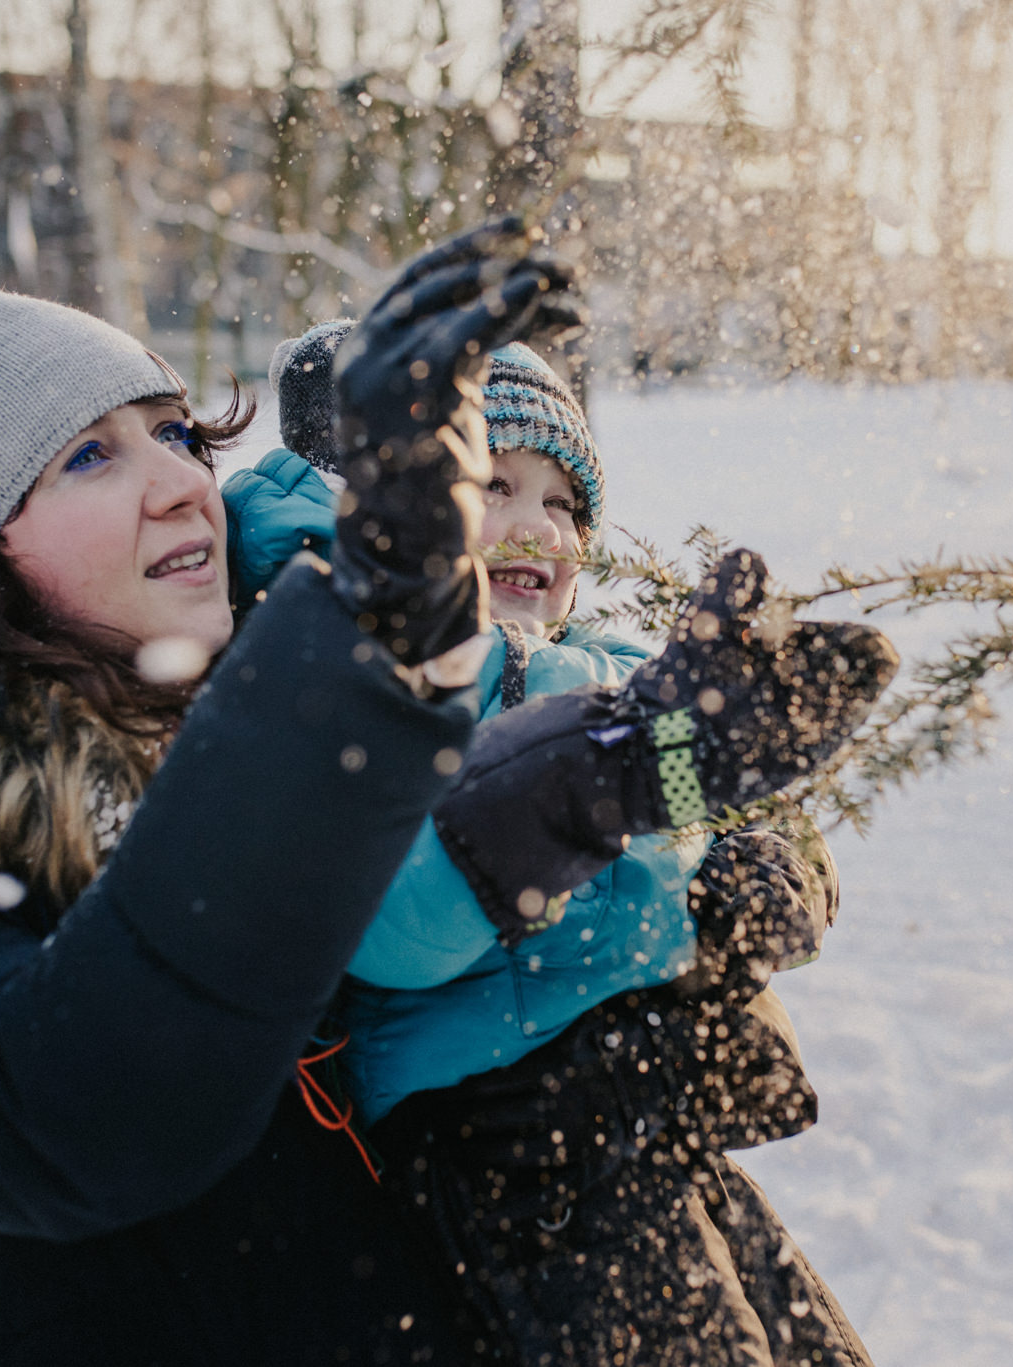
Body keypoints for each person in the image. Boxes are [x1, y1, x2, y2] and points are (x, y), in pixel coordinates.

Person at [0, 215, 877, 1366]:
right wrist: (483, 741)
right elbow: (75, 1105)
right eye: (85, 459)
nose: (176, 478)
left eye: (168, 429)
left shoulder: (244, 676)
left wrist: (678, 828)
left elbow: (517, 772)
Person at [226, 322, 885, 1365]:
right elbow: (391, 925)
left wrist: (769, 860)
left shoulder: (600, 660)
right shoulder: (376, 669)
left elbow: (712, 797)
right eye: (493, 486)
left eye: (564, 501)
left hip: (653, 1114)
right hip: (511, 1144)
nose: (538, 528)